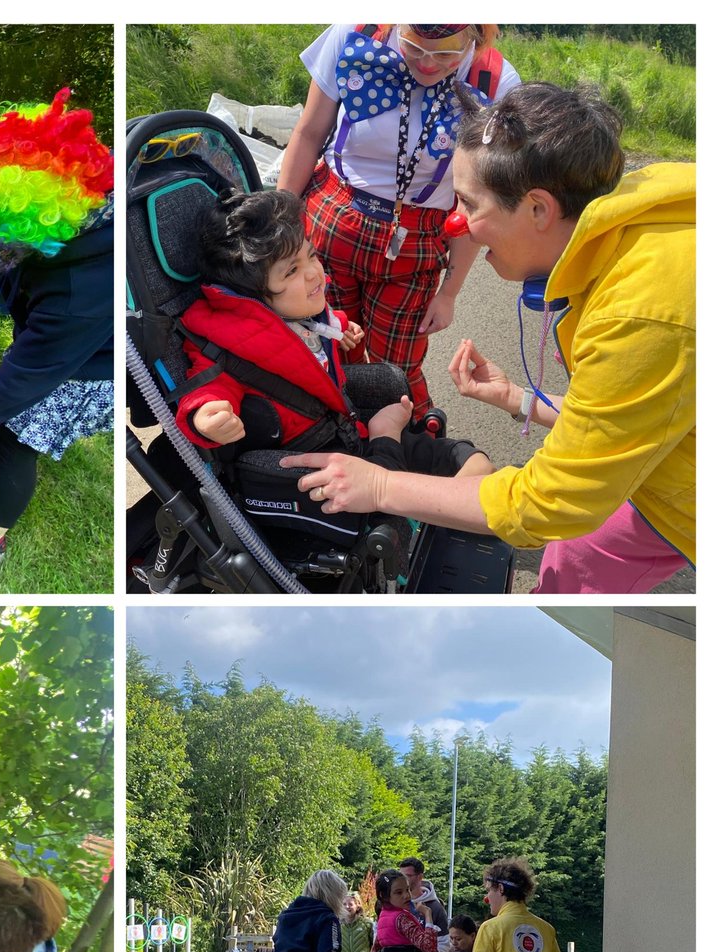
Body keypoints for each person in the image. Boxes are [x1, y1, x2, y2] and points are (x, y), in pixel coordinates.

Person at [284, 82, 695, 594]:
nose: (456, 225)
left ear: (539, 209)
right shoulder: (645, 216)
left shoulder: (641, 314)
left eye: (469, 204)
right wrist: (518, 399)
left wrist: (380, 484)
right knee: (572, 557)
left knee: (571, 562)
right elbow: (639, 412)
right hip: (671, 464)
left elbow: (551, 503)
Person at [277, 24, 519, 421]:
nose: (427, 64)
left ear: (476, 35)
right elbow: (308, 134)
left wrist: (449, 293)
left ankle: (415, 452)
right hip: (331, 221)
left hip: (418, 238)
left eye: (445, 54)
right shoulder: (356, 35)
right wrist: (281, 233)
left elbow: (476, 201)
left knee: (399, 366)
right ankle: (341, 440)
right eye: (414, 47)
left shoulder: (493, 80)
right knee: (327, 346)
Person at [174, 189, 492, 484]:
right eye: (291, 271)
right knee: (405, 445)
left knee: (472, 461)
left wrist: (339, 327)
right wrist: (205, 416)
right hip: (313, 462)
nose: (314, 272)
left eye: (311, 256)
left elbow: (308, 331)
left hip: (343, 425)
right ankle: (391, 446)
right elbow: (209, 382)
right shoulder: (227, 344)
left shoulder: (294, 308)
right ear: (252, 297)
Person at [0, 88, 113, 563]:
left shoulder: (81, 289)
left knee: (19, 431)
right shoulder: (71, 182)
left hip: (91, 370)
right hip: (61, 346)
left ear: (36, 227)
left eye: (8, 244)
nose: (1, 253)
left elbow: (28, 376)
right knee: (7, 419)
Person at [399, 855, 450, 952]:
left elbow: (443, 943)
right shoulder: (396, 904)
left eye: (408, 876)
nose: (403, 880)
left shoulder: (435, 907)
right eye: (401, 876)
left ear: (420, 877)